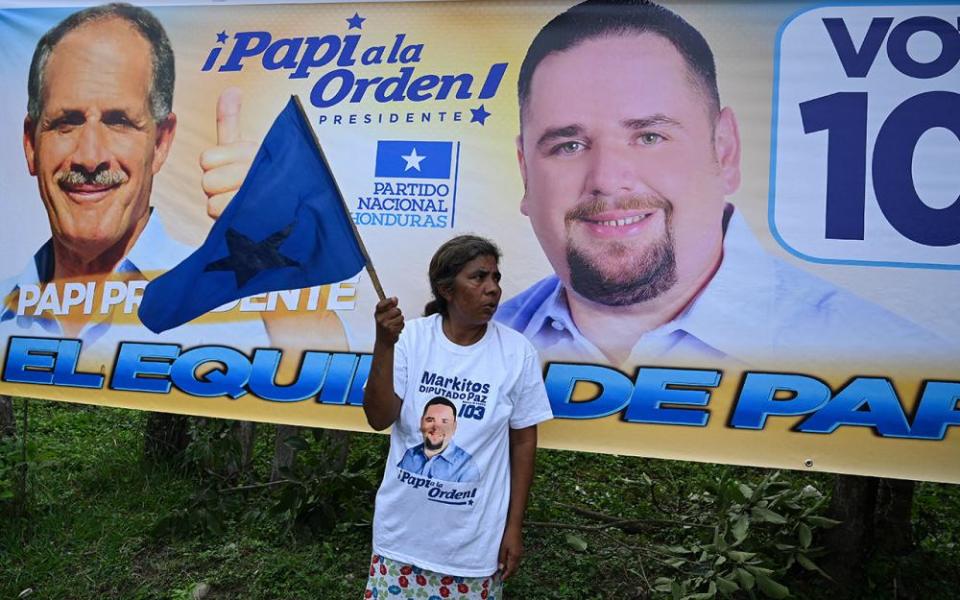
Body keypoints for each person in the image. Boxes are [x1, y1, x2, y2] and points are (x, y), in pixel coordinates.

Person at [496, 0, 948, 368]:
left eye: (650, 137)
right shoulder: (483, 344)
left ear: (725, 150)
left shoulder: (895, 361)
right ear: (524, 172)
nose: (608, 180)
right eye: (569, 146)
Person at [2, 3, 345, 359]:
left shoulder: (238, 307)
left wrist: (277, 247)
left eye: (119, 121)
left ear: (162, 143)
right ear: (30, 145)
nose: (90, 157)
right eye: (66, 122)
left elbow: (328, 382)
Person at [364, 235, 553, 599]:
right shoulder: (411, 339)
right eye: (478, 278)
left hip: (473, 549)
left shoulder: (516, 354)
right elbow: (378, 417)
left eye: (495, 278)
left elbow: (524, 441)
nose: (492, 289)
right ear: (446, 289)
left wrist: (514, 526)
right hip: (401, 540)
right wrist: (384, 344)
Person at [397, 396, 481, 483]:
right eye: (430, 420)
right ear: (421, 422)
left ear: (454, 427)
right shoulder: (409, 455)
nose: (436, 427)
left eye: (444, 421)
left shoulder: (467, 466)